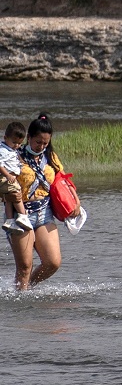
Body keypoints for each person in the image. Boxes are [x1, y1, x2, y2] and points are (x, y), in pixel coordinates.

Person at [13, 115, 65, 290]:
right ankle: (20, 306)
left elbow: (61, 179)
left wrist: (76, 202)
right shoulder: (15, 156)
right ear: (28, 138)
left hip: (44, 213)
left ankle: (27, 289)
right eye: (38, 142)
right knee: (25, 267)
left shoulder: (50, 156)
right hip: (20, 215)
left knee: (53, 262)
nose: (41, 146)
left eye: (45, 143)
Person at [1, 120, 28, 287]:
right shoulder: (2, 149)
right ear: (5, 138)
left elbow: (15, 158)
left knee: (9, 199)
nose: (17, 145)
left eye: (19, 143)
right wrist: (9, 176)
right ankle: (23, 216)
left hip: (10, 176)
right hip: (6, 177)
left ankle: (10, 220)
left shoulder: (11, 149)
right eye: (14, 142)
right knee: (15, 194)